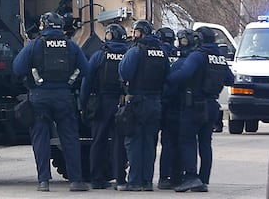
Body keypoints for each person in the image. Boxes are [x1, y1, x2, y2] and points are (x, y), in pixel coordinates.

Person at [13, 12, 91, 192]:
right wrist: (71, 79)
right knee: (70, 138)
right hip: (64, 96)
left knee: (41, 138)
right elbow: (86, 70)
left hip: (39, 97)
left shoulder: (34, 46)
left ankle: (43, 181)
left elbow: (17, 68)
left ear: (43, 26)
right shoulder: (71, 46)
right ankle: (76, 181)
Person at [166, 26, 235, 192]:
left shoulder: (197, 56)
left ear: (199, 39)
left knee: (187, 140)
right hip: (212, 105)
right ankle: (203, 180)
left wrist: (167, 77)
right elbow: (230, 79)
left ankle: (191, 177)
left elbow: (183, 75)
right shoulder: (219, 57)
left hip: (194, 105)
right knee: (205, 143)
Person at [118, 19, 170, 191]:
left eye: (135, 32)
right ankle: (147, 181)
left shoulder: (136, 51)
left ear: (140, 32)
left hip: (137, 101)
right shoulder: (162, 52)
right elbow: (166, 76)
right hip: (155, 102)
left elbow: (125, 72)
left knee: (133, 141)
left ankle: (134, 181)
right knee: (150, 143)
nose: (133, 35)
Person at [80, 23, 130, 190]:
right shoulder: (129, 54)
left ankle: (97, 179)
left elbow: (87, 81)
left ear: (109, 35)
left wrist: (83, 103)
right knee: (119, 142)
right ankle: (121, 180)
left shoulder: (99, 55)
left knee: (98, 142)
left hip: (102, 103)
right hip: (122, 103)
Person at [158, 28, 198, 189]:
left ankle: (166, 177)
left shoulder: (177, 61)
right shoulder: (196, 60)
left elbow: (169, 85)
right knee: (183, 143)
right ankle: (177, 175)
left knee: (169, 143)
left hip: (172, 107)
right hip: (188, 108)